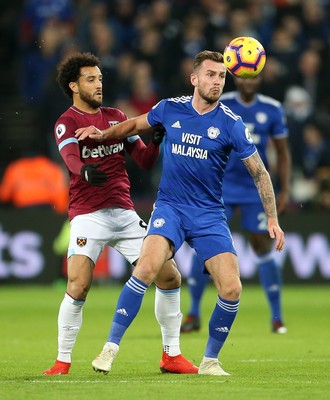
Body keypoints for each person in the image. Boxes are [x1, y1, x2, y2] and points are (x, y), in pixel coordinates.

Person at [75, 50, 285, 376]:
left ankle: (210, 361)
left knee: (231, 288)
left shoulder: (231, 124)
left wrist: (272, 219)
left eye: (221, 76)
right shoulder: (169, 108)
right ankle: (110, 348)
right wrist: (102, 134)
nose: (216, 81)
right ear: (195, 78)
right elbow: (133, 124)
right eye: (211, 75)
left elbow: (259, 172)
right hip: (170, 207)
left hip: (209, 214)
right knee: (145, 268)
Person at [43, 52, 197, 375]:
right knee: (78, 284)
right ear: (74, 85)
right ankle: (62, 360)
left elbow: (143, 161)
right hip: (88, 214)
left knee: (170, 277)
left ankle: (171, 355)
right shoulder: (66, 122)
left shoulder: (116, 117)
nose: (99, 84)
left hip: (124, 213)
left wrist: (155, 142)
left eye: (100, 78)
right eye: (90, 79)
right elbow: (70, 156)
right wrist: (83, 172)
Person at [181, 75, 291, 335]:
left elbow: (283, 152)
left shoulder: (272, 108)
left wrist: (284, 189)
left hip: (254, 190)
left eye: (254, 77)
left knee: (261, 243)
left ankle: (277, 317)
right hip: (219, 187)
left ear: (261, 78)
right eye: (243, 77)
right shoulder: (221, 105)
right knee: (205, 245)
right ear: (235, 78)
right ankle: (194, 312)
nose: (249, 82)